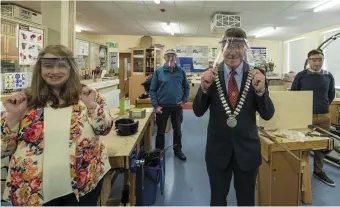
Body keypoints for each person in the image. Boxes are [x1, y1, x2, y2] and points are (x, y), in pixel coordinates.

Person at [1, 45, 113, 206]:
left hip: (83, 183)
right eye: (48, 66)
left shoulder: (88, 95)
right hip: (34, 190)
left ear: (71, 69)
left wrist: (91, 106)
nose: (55, 71)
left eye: (61, 65)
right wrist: (13, 117)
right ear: (40, 69)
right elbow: (4, 149)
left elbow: (105, 128)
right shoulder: (25, 102)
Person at [192, 28, 275, 206]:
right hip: (217, 150)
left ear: (245, 49)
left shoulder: (256, 75)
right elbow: (198, 111)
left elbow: (267, 114)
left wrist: (261, 93)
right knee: (217, 200)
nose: (233, 51)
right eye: (229, 45)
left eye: (239, 46)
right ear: (222, 48)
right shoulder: (211, 75)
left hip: (247, 150)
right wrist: (204, 88)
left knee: (246, 201)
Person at [291, 49, 336, 187]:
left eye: (320, 59)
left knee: (322, 146)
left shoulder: (329, 76)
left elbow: (331, 95)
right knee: (302, 145)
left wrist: (322, 107)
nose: (317, 62)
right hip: (304, 116)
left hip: (323, 117)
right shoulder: (301, 76)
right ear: (308, 60)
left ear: (323, 60)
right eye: (314, 59)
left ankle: (318, 171)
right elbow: (294, 95)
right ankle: (300, 172)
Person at [149, 48, 190, 161]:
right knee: (160, 131)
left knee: (177, 130)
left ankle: (177, 150)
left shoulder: (181, 71)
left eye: (173, 56)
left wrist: (184, 99)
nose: (170, 58)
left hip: (177, 106)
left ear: (176, 58)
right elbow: (152, 90)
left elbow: (186, 87)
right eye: (168, 56)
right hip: (162, 107)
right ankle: (159, 152)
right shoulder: (158, 72)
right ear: (164, 58)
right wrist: (156, 106)